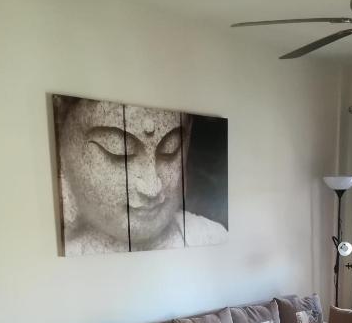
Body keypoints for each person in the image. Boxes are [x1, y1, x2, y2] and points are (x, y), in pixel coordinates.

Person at [54, 96, 227, 255]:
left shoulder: (212, 237)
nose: (152, 188)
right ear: (63, 152)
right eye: (119, 151)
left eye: (170, 149)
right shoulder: (63, 258)